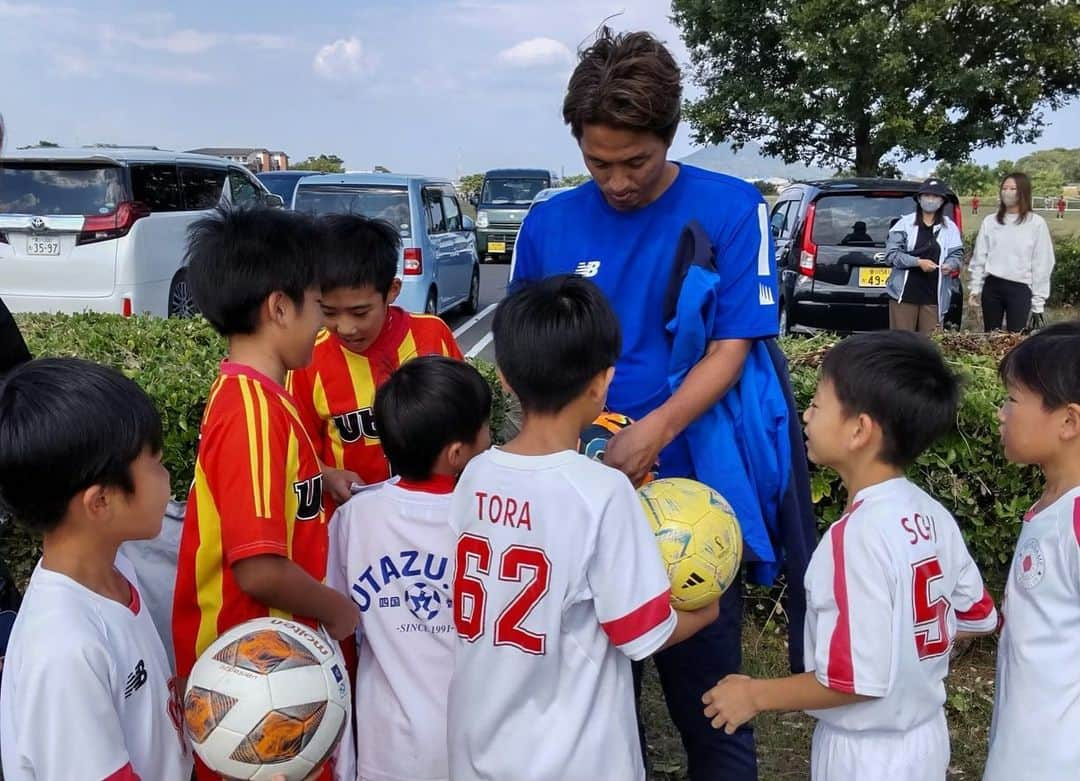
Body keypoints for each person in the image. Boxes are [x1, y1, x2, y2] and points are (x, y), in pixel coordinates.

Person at [509, 29, 788, 778]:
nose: (618, 181)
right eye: (598, 162)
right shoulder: (549, 223)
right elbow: (525, 353)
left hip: (692, 502)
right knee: (595, 705)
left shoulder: (731, 206)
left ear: (669, 136)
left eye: (635, 161)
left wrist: (653, 432)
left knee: (713, 709)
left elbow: (734, 346)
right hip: (578, 499)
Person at [447, 276, 719, 781]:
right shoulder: (603, 491)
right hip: (574, 760)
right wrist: (706, 614)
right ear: (603, 382)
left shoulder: (475, 474)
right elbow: (641, 633)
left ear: (504, 377)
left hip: (477, 746)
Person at [701, 331, 998, 781]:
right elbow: (978, 616)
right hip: (927, 740)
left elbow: (851, 682)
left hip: (865, 757)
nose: (805, 415)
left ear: (859, 430)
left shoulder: (854, 537)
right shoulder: (932, 514)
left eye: (817, 405)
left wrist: (755, 695)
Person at [170, 207, 359, 781]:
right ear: (280, 308)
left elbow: (263, 485)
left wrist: (320, 475)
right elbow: (256, 567)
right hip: (253, 683)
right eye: (318, 310)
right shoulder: (254, 412)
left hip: (267, 666)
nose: (324, 329)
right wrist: (339, 612)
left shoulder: (259, 395)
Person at [0, 358, 191, 781]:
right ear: (100, 502)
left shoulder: (117, 566)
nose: (168, 479)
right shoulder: (64, 648)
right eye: (156, 464)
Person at [328, 356, 491, 781]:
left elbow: (339, 622)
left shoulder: (354, 517)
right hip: (475, 739)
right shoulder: (483, 520)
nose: (490, 439)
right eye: (485, 430)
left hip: (388, 746)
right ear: (457, 454)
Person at [287, 214, 463, 508]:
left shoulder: (432, 336)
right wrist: (328, 475)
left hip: (434, 515)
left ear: (392, 291)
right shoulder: (309, 359)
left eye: (359, 312)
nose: (346, 328)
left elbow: (465, 421)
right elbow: (296, 447)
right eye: (329, 312)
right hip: (351, 525)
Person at [983, 322, 1080, 780]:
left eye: (1012, 400)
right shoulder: (1050, 506)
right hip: (1023, 746)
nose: (1002, 413)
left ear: (1068, 421)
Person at [969, 172, 1056, 333]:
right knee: (991, 335)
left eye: (1012, 188)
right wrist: (975, 287)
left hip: (1019, 288)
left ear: (1022, 192)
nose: (1007, 192)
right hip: (992, 286)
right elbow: (980, 256)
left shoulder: (1036, 223)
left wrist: (1038, 301)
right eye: (1004, 188)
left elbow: (1042, 262)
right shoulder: (990, 221)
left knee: (1015, 337)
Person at [883, 178, 964, 334]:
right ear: (919, 199)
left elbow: (957, 254)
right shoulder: (904, 224)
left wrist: (951, 265)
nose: (930, 200)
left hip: (934, 297)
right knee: (903, 343)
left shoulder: (950, 227)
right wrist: (917, 262)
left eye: (935, 197)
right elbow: (891, 255)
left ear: (942, 201)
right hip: (904, 295)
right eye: (927, 195)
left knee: (930, 344)